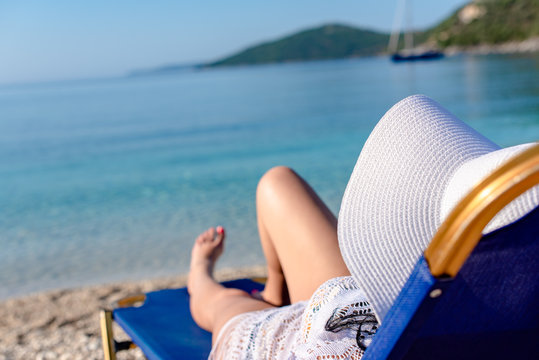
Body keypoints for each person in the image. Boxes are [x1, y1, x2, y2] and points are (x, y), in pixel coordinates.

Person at [187, 95, 539, 359]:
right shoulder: (518, 317)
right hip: (380, 324)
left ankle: (199, 273)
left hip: (308, 339)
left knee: (220, 302)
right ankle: (276, 285)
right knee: (277, 182)